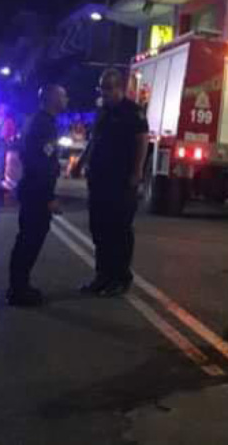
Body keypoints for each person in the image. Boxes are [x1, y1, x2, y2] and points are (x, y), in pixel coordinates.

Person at [77, 68, 149, 297]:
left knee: (119, 231)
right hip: (99, 179)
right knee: (99, 229)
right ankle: (102, 276)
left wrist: (137, 171)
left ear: (120, 88)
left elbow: (142, 142)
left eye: (108, 88)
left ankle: (120, 278)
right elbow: (94, 139)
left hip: (121, 181)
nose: (104, 92)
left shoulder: (132, 112)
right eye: (102, 88)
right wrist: (81, 162)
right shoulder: (103, 111)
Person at [7, 84, 68, 307]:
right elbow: (40, 164)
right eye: (63, 96)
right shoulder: (44, 125)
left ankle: (19, 286)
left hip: (32, 189)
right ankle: (18, 290)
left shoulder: (39, 121)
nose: (67, 100)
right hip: (36, 192)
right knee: (29, 241)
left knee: (27, 239)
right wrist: (48, 197)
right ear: (52, 99)